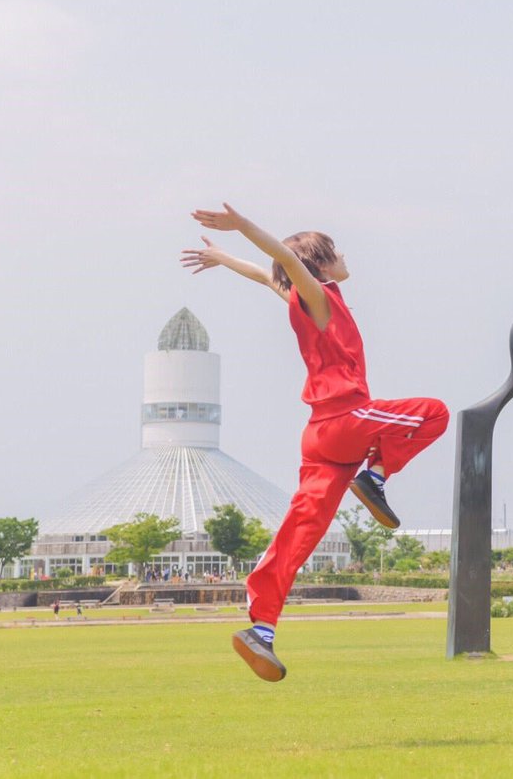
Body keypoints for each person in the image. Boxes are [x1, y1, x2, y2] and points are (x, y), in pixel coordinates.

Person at [185, 203, 449, 682]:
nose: (345, 256)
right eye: (336, 252)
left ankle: (261, 629)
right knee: (433, 413)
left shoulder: (297, 297)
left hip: (321, 442)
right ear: (321, 264)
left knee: (299, 534)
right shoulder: (320, 294)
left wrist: (224, 258)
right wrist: (243, 227)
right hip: (345, 418)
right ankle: (375, 476)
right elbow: (284, 262)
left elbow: (265, 275)